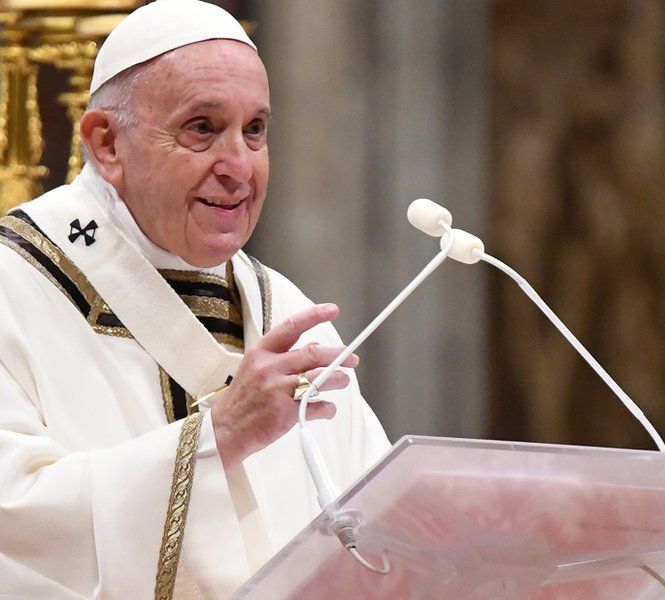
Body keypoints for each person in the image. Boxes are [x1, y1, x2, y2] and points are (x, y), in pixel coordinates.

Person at [0, 1, 390, 598]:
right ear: (106, 144)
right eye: (202, 128)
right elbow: (15, 519)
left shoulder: (286, 310)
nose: (239, 166)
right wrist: (219, 436)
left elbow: (380, 529)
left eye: (254, 130)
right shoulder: (14, 283)